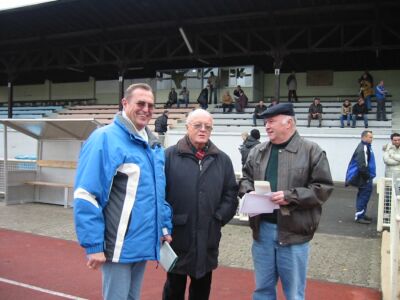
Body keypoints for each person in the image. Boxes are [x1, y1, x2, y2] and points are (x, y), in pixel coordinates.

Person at [73, 83, 173, 300]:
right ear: (125, 103)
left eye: (150, 105)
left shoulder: (153, 145)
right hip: (118, 247)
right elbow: (86, 194)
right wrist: (93, 244)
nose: (146, 109)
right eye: (140, 103)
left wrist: (163, 227)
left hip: (144, 242)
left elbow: (158, 194)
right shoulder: (104, 138)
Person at [239, 103, 333, 300]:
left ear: (289, 123)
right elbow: (245, 178)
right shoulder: (258, 151)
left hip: (294, 234)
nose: (267, 126)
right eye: (265, 122)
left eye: (271, 121)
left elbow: (323, 189)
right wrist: (249, 192)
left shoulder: (311, 151)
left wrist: (290, 196)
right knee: (262, 290)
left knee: (294, 294)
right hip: (262, 231)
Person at [162, 109, 239, 300]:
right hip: (177, 236)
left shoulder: (222, 159)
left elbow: (231, 194)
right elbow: (158, 195)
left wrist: (218, 218)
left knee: (202, 290)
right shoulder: (169, 156)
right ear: (187, 127)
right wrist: (164, 224)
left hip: (208, 236)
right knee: (173, 289)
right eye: (198, 125)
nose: (203, 130)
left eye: (208, 126)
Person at [345, 130, 376, 224]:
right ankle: (359, 216)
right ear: (364, 137)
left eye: (372, 137)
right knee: (363, 196)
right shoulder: (363, 148)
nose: (372, 139)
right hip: (364, 177)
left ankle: (362, 214)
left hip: (365, 177)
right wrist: (367, 177)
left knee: (363, 196)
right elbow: (362, 165)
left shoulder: (366, 147)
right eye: (370, 137)